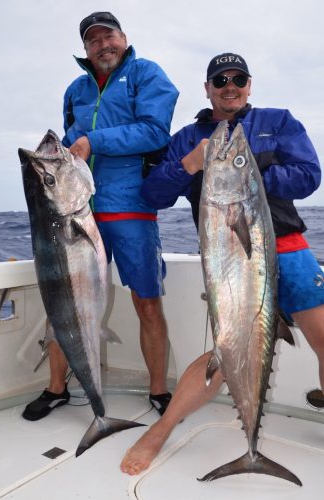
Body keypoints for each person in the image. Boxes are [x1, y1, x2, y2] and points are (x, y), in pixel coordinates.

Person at [120, 52, 324, 475]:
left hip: (287, 245)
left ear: (249, 85)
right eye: (220, 79)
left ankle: (253, 441)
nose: (229, 85)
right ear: (208, 88)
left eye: (238, 78)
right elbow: (153, 195)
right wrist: (189, 165)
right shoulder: (188, 136)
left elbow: (309, 175)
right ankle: (162, 430)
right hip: (229, 257)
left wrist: (249, 168)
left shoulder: (278, 121)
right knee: (223, 349)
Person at [22, 12, 179, 421]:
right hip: (79, 211)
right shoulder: (75, 89)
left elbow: (155, 131)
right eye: (93, 40)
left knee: (147, 303)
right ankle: (57, 388)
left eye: (108, 36)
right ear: (86, 49)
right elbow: (68, 151)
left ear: (124, 38)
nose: (103, 45)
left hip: (131, 208)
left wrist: (94, 140)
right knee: (63, 304)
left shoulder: (147, 74)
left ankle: (159, 390)